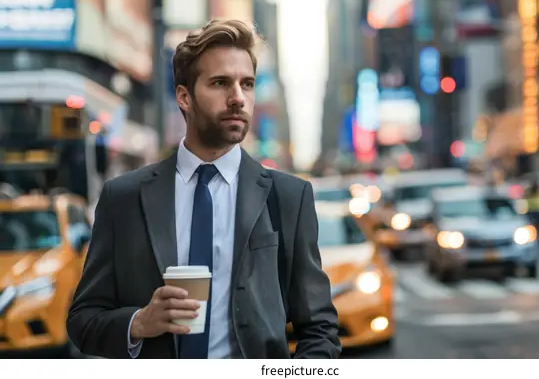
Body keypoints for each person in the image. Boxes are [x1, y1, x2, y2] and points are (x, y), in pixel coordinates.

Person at [67, 19, 341, 359]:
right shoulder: (123, 198)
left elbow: (318, 328)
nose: (238, 98)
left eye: (248, 84)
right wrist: (139, 322)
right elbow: (82, 320)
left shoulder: (288, 198)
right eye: (221, 83)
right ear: (184, 96)